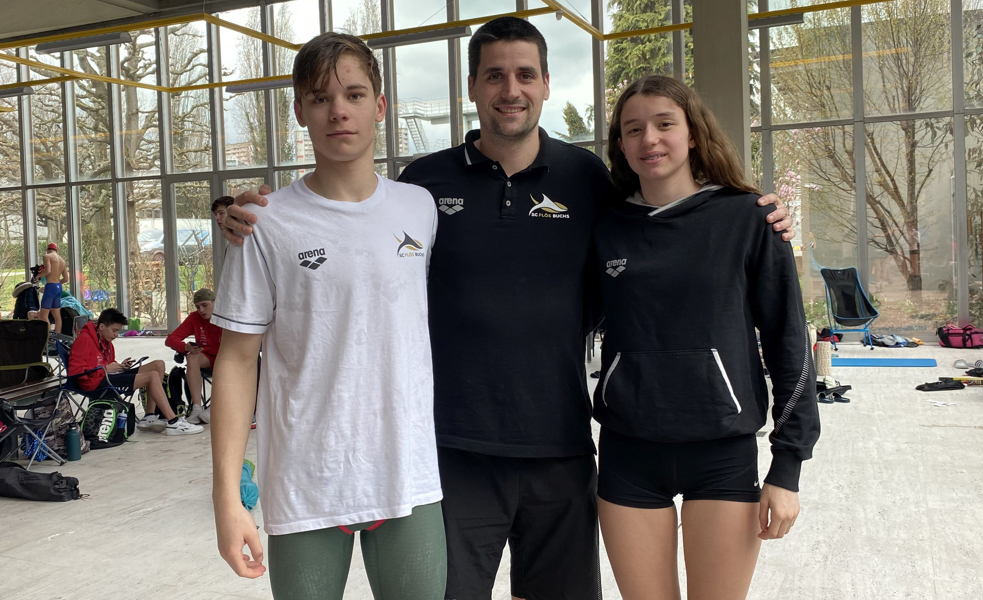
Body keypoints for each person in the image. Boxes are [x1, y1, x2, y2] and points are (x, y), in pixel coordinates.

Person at [221, 17, 794, 599]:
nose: (510, 89)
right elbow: (352, 225)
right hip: (453, 453)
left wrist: (752, 211)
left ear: (546, 83)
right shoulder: (423, 186)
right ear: (472, 88)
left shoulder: (587, 178)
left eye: (525, 74)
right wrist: (238, 212)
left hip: (562, 446)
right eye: (494, 76)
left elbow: (661, 221)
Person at [209, 32, 445, 600]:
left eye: (355, 95)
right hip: (306, 480)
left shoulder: (421, 206)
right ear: (300, 112)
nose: (339, 111)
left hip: (407, 475)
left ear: (380, 106)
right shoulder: (263, 223)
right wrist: (227, 499)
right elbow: (237, 363)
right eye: (320, 98)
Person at [592, 75, 820, 600]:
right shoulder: (605, 229)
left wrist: (787, 467)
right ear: (621, 146)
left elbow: (789, 343)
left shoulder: (750, 218)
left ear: (693, 133)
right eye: (633, 129)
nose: (649, 138)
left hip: (721, 451)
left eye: (664, 124)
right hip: (629, 453)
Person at [68, 308, 203, 437]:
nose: (116, 335)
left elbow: (104, 363)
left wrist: (120, 366)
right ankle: (173, 422)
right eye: (114, 331)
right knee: (152, 376)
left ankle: (149, 416)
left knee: (158, 365)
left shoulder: (105, 341)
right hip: (95, 384)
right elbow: (75, 372)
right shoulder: (85, 339)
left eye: (118, 331)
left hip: (107, 376)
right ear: (102, 326)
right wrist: (106, 369)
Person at [165, 288, 222, 424]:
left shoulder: (224, 316)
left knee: (226, 360)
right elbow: (170, 339)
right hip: (208, 357)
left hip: (226, 357)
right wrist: (185, 347)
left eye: (205, 305)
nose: (201, 310)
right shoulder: (194, 318)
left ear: (215, 302)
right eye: (198, 307)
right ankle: (197, 407)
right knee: (191, 356)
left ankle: (216, 407)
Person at [36, 242, 68, 334]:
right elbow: (66, 279)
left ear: (47, 249)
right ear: (56, 250)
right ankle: (57, 339)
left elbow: (48, 270)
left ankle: (48, 337)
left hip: (50, 286)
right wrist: (57, 284)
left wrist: (37, 276)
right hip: (58, 287)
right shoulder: (62, 260)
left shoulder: (47, 256)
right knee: (57, 315)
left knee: (43, 315)